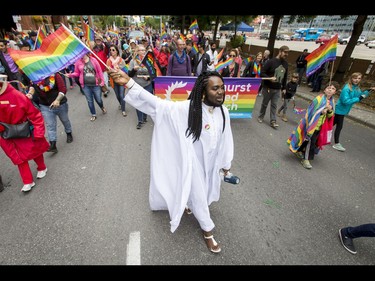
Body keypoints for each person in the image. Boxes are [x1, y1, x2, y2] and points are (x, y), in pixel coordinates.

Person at [109, 69, 235, 254]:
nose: (221, 92)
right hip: (193, 165)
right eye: (215, 88)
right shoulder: (188, 109)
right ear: (202, 92)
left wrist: (225, 166)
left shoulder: (223, 112)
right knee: (200, 197)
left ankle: (190, 205)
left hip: (212, 166)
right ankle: (208, 231)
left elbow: (226, 139)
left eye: (222, 88)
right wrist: (130, 83)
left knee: (207, 193)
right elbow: (159, 105)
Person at [0, 74, 49, 192]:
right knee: (17, 156)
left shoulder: (16, 95)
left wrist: (38, 132)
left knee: (33, 149)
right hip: (6, 133)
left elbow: (35, 114)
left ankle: (42, 167)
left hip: (23, 129)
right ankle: (27, 181)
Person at [287, 81, 339, 169]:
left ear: (335, 92)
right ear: (325, 90)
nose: (330, 90)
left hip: (320, 127)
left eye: (333, 89)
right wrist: (322, 111)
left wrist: (329, 110)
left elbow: (331, 116)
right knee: (310, 143)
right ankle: (306, 159)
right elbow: (311, 111)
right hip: (311, 125)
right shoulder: (318, 99)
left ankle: (299, 150)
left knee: (309, 141)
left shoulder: (332, 102)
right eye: (328, 88)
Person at [28, 72, 73, 153]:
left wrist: (57, 100)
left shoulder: (55, 75)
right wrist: (30, 93)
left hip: (60, 104)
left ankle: (69, 133)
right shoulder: (34, 77)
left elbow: (63, 89)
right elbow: (32, 87)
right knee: (50, 125)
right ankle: (53, 145)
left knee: (65, 120)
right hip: (45, 105)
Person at [332, 72, 375, 152]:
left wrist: (369, 90)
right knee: (339, 127)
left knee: (330, 124)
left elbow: (360, 94)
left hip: (343, 110)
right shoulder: (347, 88)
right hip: (339, 110)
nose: (357, 80)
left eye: (359, 78)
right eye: (355, 78)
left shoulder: (356, 88)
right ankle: (336, 143)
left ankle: (317, 133)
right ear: (351, 78)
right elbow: (346, 101)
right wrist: (359, 98)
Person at [68, 53, 107, 122]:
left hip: (96, 84)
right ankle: (93, 114)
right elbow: (77, 73)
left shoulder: (93, 60)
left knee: (98, 99)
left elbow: (99, 71)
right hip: (85, 86)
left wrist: (102, 82)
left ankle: (102, 106)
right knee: (90, 101)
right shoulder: (78, 62)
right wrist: (70, 75)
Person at [257, 45, 290, 129]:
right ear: (280, 51)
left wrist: (284, 88)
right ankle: (261, 116)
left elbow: (285, 77)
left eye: (288, 53)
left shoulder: (286, 64)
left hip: (277, 89)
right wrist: (269, 78)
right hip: (268, 88)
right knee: (265, 104)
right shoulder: (270, 62)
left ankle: (273, 121)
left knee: (274, 105)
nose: (286, 54)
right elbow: (262, 73)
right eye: (285, 52)